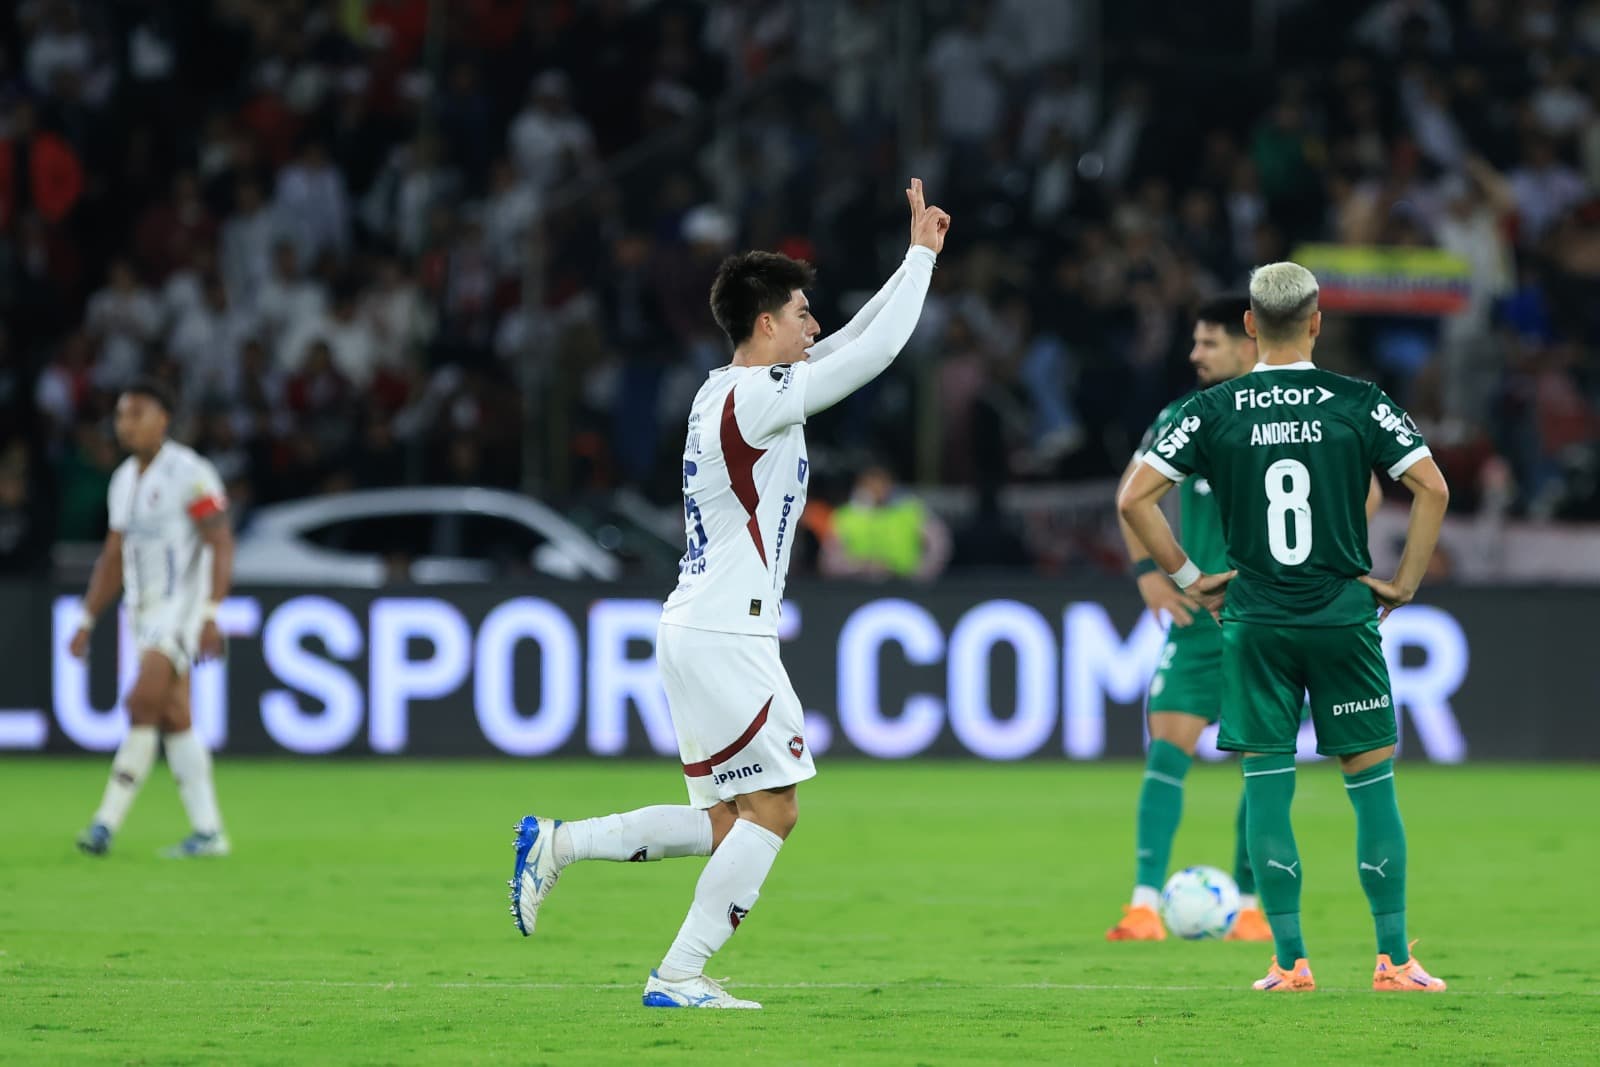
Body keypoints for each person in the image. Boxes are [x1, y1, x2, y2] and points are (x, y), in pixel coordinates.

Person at [508, 179, 951, 1009]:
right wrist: (924, 260)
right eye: (803, 314)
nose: (815, 325)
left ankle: (560, 845)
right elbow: (874, 353)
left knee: (727, 822)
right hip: (727, 632)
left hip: (699, 623)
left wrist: (910, 255)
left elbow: (853, 337)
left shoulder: (729, 389)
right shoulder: (753, 398)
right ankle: (678, 973)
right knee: (774, 808)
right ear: (765, 324)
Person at [1118, 261, 1450, 993]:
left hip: (1255, 620)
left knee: (1268, 784)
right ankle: (1393, 959)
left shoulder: (1211, 411)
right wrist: (1404, 584)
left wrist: (1183, 577)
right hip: (1342, 616)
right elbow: (1431, 485)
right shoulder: (1359, 400)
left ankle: (1289, 960)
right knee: (1372, 785)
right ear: (1318, 321)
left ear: (1247, 326)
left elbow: (1136, 498)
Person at [1107, 294, 1384, 943]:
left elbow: (1367, 492)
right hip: (1203, 612)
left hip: (1264, 613)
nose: (1195, 354)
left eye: (1208, 343)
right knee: (1167, 747)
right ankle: (1143, 902)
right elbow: (1132, 494)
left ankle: (1253, 903)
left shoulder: (1290, 410)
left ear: (1245, 342)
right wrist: (1152, 576)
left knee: (1260, 759)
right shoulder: (1187, 414)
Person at [73, 379, 234, 859]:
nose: (126, 424)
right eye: (122, 415)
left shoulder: (190, 472)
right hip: (142, 611)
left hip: (182, 606)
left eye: (137, 413)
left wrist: (210, 612)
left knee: (142, 702)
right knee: (173, 716)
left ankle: (104, 823)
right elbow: (113, 556)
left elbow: (221, 541)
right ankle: (209, 833)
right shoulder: (123, 480)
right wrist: (87, 617)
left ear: (162, 419)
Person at [818, 464, 952, 581]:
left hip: (906, 586)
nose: (878, 490)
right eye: (872, 484)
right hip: (857, 588)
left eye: (883, 484)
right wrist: (863, 568)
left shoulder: (911, 511)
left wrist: (920, 574)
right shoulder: (845, 516)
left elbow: (939, 546)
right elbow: (830, 562)